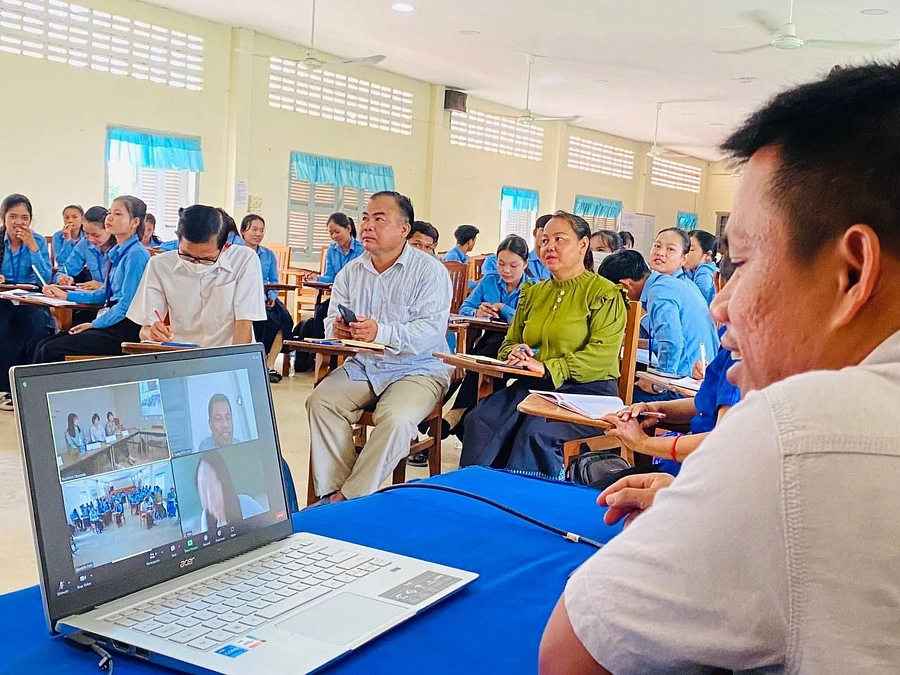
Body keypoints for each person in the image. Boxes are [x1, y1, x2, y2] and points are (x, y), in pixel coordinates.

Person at [540, 61, 900, 675]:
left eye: (745, 261)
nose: (723, 304)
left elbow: (572, 656)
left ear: (852, 272)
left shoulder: (802, 429)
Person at [306, 191, 452, 503]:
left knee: (397, 418)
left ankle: (348, 499)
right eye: (366, 218)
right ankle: (335, 489)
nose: (368, 226)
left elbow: (429, 332)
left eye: (379, 219)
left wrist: (380, 332)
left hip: (418, 368)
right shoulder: (351, 272)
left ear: (404, 229)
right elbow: (331, 319)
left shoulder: (430, 272)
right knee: (321, 401)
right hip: (365, 366)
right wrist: (339, 328)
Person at [460, 212, 627, 480]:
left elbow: (602, 354)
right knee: (481, 419)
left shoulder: (604, 293)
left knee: (535, 432)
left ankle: (526, 508)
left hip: (588, 392)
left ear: (583, 245)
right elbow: (509, 342)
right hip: (536, 387)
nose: (548, 247)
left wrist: (548, 366)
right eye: (544, 240)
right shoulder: (533, 292)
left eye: (559, 239)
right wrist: (514, 352)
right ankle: (475, 494)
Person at [600, 249, 740, 477]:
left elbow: (723, 442)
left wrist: (643, 443)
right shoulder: (730, 335)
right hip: (693, 452)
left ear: (717, 281)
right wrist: (656, 408)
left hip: (697, 472)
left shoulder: (745, 349)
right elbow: (708, 402)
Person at [127, 204, 265, 348]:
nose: (196, 264)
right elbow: (145, 330)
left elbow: (244, 324)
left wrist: (233, 365)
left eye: (206, 258)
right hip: (182, 356)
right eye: (186, 255)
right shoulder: (160, 265)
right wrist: (152, 333)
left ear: (225, 246)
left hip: (226, 354)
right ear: (178, 240)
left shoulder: (244, 260)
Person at [35, 196, 151, 361]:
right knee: (43, 344)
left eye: (118, 214)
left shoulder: (136, 254)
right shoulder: (118, 251)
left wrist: (94, 324)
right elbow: (104, 293)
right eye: (110, 212)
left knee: (52, 350)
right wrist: (66, 295)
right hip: (110, 320)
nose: (109, 217)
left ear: (134, 222)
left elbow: (126, 305)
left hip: (124, 328)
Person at [440, 234, 530, 443]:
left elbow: (529, 321)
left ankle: (456, 413)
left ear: (525, 264)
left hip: (516, 345)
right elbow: (464, 307)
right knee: (480, 361)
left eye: (513, 265)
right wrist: (478, 312)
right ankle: (465, 424)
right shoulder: (489, 281)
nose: (506, 270)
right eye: (501, 263)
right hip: (487, 339)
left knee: (476, 362)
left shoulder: (532, 288)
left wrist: (503, 308)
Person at [598, 250, 719, 402]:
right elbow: (667, 340)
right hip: (700, 376)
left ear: (624, 286)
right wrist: (630, 341)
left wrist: (656, 386)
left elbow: (672, 343)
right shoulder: (676, 283)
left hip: (684, 384)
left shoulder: (659, 292)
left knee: (615, 397)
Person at [0, 194, 55, 411]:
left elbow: (46, 278)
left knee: (37, 325)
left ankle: (25, 386)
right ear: (3, 217)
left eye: (24, 217)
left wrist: (32, 247)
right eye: (13, 216)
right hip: (3, 298)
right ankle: (4, 388)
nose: (18, 222)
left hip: (29, 299)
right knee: (4, 326)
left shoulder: (38, 241)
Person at [240, 214, 294, 382]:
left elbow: (274, 280)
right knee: (264, 320)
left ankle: (269, 365)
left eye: (261, 230)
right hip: (246, 295)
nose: (258, 234)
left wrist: (272, 296)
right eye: (254, 229)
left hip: (266, 295)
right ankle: (254, 361)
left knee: (285, 319)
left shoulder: (268, 254)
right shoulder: (236, 251)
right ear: (243, 231)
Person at [302, 212, 364, 341]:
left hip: (357, 297)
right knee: (320, 313)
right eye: (331, 233)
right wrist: (316, 278)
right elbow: (330, 276)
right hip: (338, 296)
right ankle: (319, 354)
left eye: (337, 232)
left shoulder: (362, 249)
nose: (334, 236)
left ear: (348, 228)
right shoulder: (332, 250)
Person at [195, 450, 264, 533]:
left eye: (211, 485)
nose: (207, 494)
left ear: (223, 482)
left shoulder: (247, 505)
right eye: (202, 487)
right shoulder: (205, 518)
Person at [53, 206, 112, 287]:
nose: (90, 239)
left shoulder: (119, 247)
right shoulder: (85, 243)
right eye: (86, 233)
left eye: (96, 235)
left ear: (109, 229)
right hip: (92, 295)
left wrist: (103, 286)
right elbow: (64, 270)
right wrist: (62, 278)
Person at [482, 216, 552, 281]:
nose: (546, 236)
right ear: (535, 232)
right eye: (543, 230)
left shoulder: (556, 264)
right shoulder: (520, 259)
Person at [684, 229, 718, 305]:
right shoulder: (691, 271)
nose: (685, 253)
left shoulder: (705, 269)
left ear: (708, 255)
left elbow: (700, 297)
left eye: (691, 249)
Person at [52, 205, 84, 271]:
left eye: (74, 217)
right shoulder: (57, 236)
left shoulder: (86, 236)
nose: (70, 220)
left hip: (83, 270)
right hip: (65, 270)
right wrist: (67, 240)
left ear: (82, 219)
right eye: (66, 218)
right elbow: (61, 261)